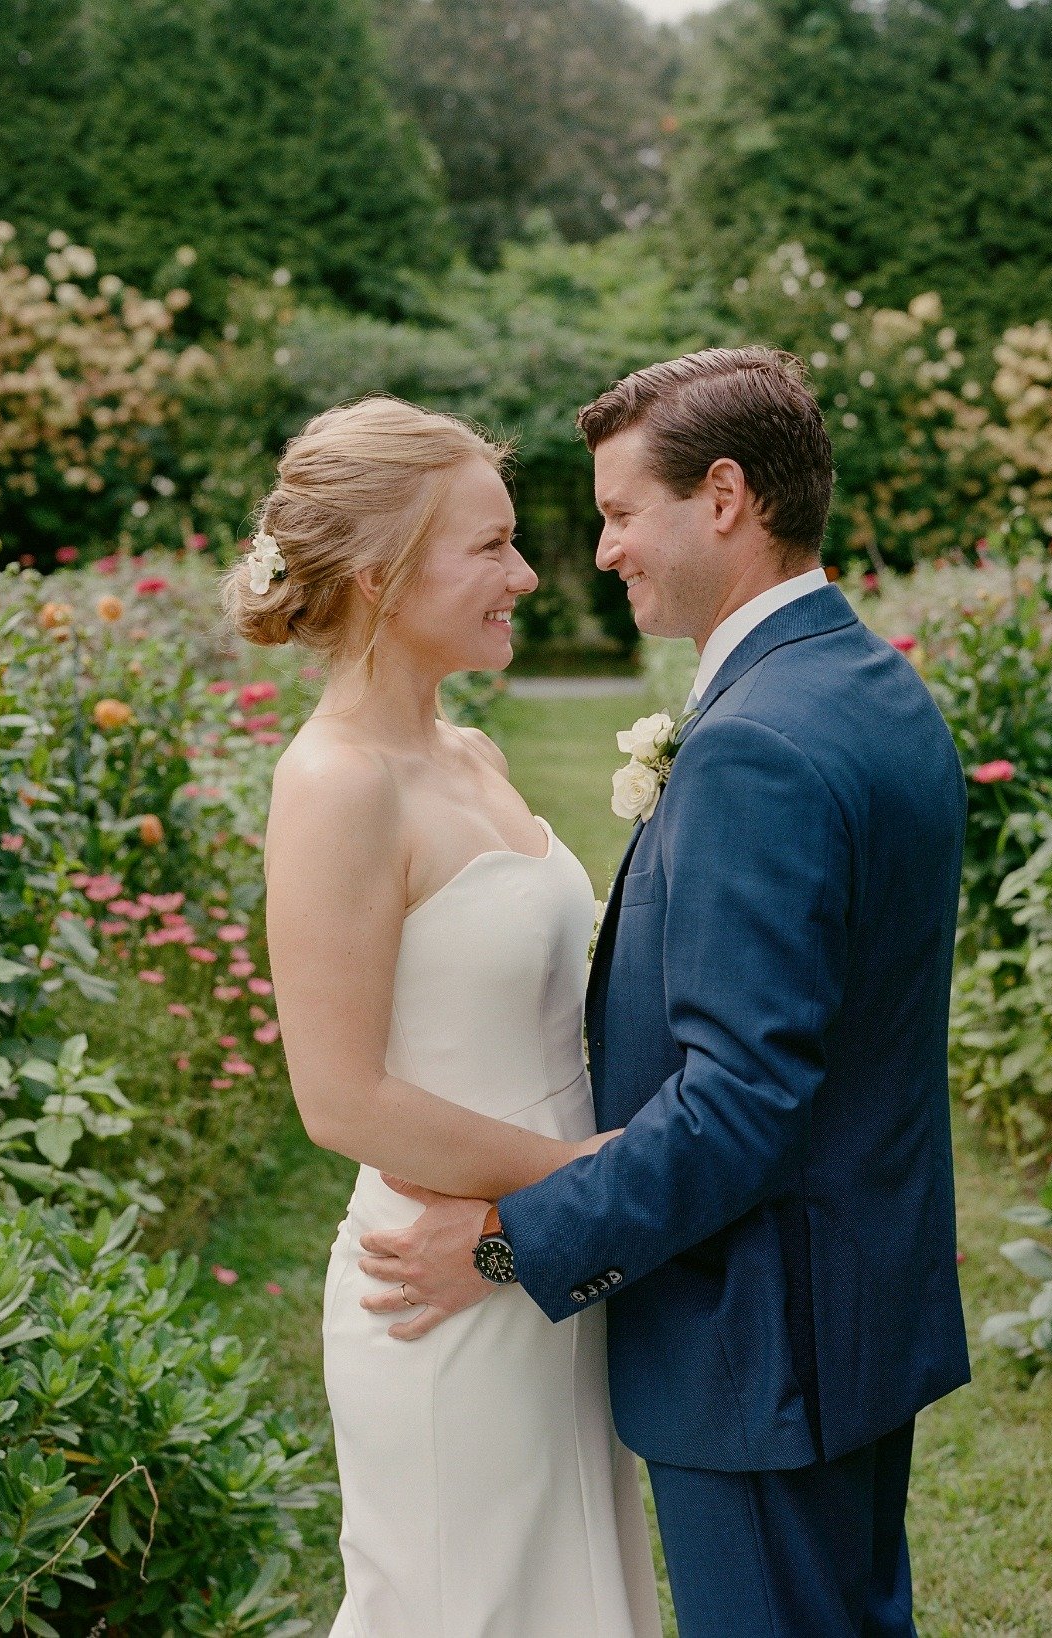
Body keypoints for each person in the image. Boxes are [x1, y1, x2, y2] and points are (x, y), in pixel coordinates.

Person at [360, 348, 972, 1636]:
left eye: (623, 512)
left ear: (728, 496)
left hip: (763, 1340)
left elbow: (740, 1103)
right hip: (853, 1306)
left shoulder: (756, 739)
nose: (604, 549)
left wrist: (504, 1240)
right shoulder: (870, 685)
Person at [222, 395, 662, 1638]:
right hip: (442, 1288)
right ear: (377, 576)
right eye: (491, 546)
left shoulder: (471, 755)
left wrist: (555, 1224)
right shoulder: (333, 785)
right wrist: (590, 1182)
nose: (526, 573)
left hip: (531, 1265)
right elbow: (340, 1097)